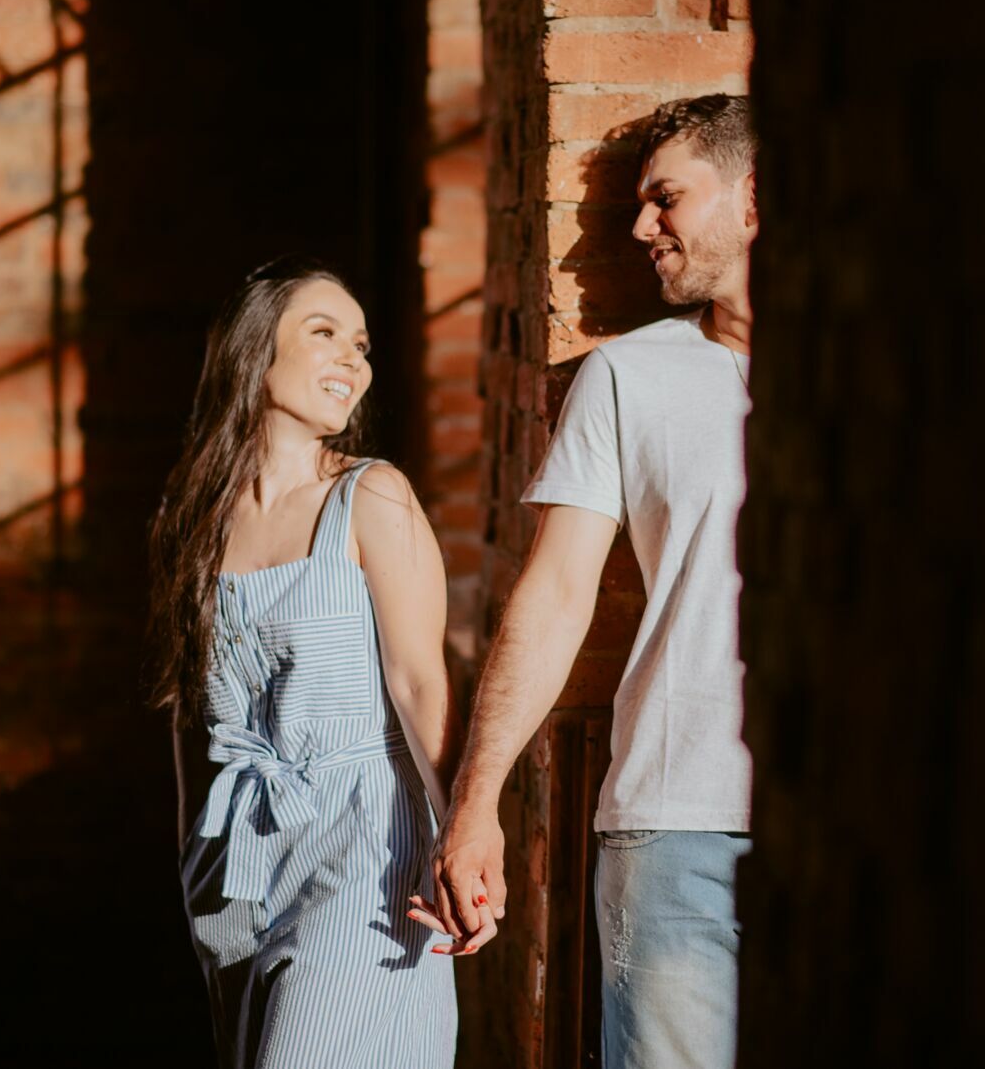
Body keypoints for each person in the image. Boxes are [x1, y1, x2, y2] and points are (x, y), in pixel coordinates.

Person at [416, 95, 757, 1067]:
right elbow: (556, 593)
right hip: (675, 820)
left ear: (754, 197)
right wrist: (476, 805)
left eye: (665, 199)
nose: (642, 228)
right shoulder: (630, 377)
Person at [149, 261, 486, 1069]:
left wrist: (467, 837)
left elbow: (419, 684)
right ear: (253, 350)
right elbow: (188, 712)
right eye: (324, 333)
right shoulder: (191, 520)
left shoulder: (372, 497)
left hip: (366, 848)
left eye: (362, 344)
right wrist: (197, 862)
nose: (353, 361)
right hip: (240, 856)